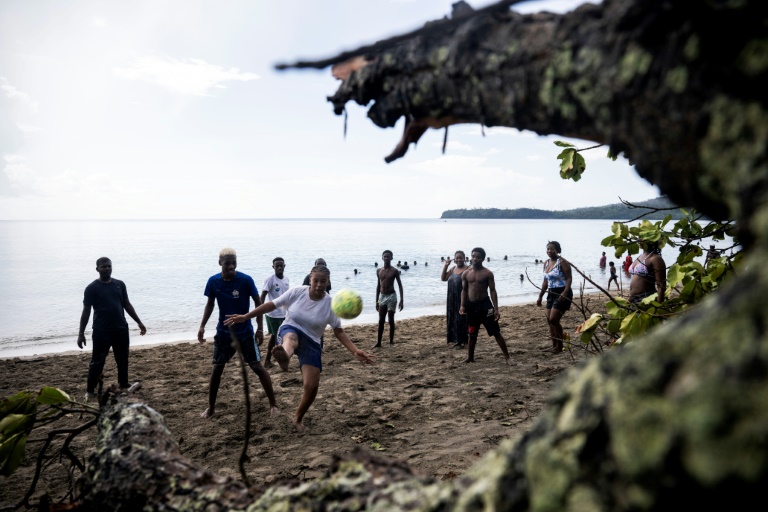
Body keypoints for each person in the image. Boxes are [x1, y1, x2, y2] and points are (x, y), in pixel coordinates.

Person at [225, 265, 375, 428]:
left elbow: (338, 331)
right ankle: (284, 356)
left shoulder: (332, 304)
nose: (318, 284)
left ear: (328, 282)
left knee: (311, 386)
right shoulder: (298, 292)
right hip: (291, 327)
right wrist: (246, 316)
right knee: (291, 338)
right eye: (315, 280)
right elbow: (271, 305)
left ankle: (297, 418)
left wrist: (355, 350)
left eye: (322, 281)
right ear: (310, 279)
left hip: (312, 341)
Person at [198, 248, 278, 418]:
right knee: (217, 369)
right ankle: (211, 408)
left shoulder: (246, 280)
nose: (232, 266)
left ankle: (273, 405)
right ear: (220, 263)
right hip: (224, 333)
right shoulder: (213, 282)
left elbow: (258, 303)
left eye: (234, 262)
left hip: (245, 333)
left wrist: (260, 328)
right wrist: (202, 325)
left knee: (257, 367)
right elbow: (210, 304)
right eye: (228, 262)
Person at [77, 257, 146, 401]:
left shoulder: (119, 284)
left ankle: (123, 383)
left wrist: (139, 322)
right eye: (103, 267)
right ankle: (90, 391)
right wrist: (81, 333)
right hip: (102, 331)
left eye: (109, 266)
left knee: (122, 359)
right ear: (97, 269)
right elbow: (86, 311)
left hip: (121, 328)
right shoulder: (91, 288)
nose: (107, 269)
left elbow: (126, 304)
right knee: (97, 361)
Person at [459, 247, 513, 365]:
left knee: (496, 331)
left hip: (485, 305)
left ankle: (507, 357)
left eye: (478, 257)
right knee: (472, 333)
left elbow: (493, 291)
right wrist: (462, 305)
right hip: (471, 306)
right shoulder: (466, 273)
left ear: (483, 258)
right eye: (473, 256)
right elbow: (464, 290)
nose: (475, 259)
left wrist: (496, 309)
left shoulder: (487, 273)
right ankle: (470, 357)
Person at [536, 241, 573, 354]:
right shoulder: (546, 263)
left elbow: (569, 278)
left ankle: (560, 346)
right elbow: (545, 281)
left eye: (552, 249)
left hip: (562, 292)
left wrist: (565, 292)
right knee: (549, 321)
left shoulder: (562, 262)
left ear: (557, 250)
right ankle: (554, 345)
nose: (549, 251)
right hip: (551, 293)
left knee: (554, 319)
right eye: (548, 249)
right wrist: (540, 296)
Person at [260, 257, 289, 368]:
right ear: (273, 267)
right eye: (277, 266)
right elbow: (263, 295)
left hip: (284, 313)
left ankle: (268, 360)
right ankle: (279, 360)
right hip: (273, 314)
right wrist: (260, 310)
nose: (280, 268)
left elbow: (287, 296)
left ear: (284, 266)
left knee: (275, 337)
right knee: (279, 337)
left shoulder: (286, 279)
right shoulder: (270, 280)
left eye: (281, 265)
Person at [374, 250, 404, 348]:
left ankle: (391, 342)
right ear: (382, 258)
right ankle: (379, 343)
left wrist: (401, 300)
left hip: (391, 296)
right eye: (385, 256)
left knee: (391, 320)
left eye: (388, 256)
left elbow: (400, 285)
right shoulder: (379, 271)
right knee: (381, 321)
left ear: (391, 258)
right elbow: (378, 286)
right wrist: (377, 301)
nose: (386, 258)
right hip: (382, 296)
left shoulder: (394, 271)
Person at [441, 250, 470, 348]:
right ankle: (457, 340)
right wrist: (446, 265)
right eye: (457, 258)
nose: (459, 260)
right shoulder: (453, 269)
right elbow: (443, 278)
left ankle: (464, 341)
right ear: (454, 259)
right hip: (451, 298)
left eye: (461, 257)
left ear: (464, 258)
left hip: (462, 298)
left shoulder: (468, 269)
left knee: (462, 320)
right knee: (453, 319)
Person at [303, 258, 331, 349]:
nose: (321, 266)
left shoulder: (327, 279)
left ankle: (320, 347)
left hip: (321, 305)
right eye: (318, 264)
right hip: (309, 305)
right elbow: (303, 292)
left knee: (320, 327)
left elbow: (327, 292)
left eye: (323, 264)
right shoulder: (309, 278)